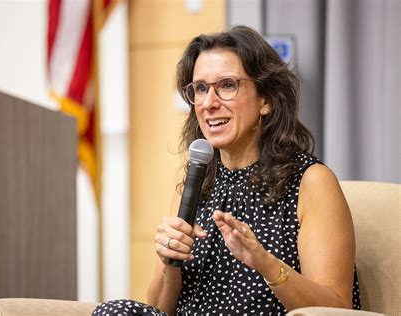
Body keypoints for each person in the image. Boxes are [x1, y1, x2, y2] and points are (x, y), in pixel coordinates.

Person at [93, 25, 360, 315]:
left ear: (266, 99)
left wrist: (264, 262)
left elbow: (336, 308)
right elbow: (159, 310)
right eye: (201, 88)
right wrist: (169, 261)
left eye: (227, 85)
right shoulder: (195, 179)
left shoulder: (310, 181)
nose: (209, 103)